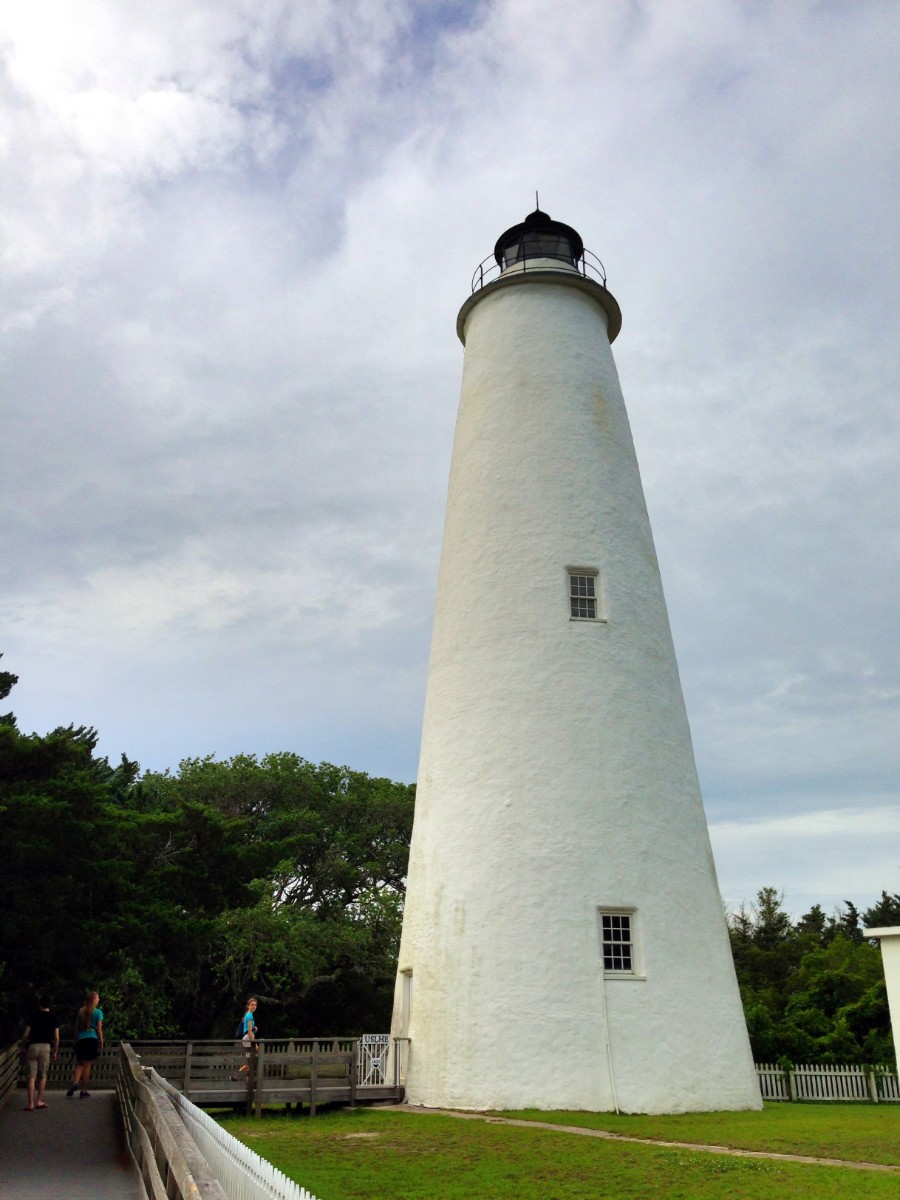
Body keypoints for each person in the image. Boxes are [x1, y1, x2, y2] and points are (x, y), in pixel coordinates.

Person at [20, 996, 60, 1111]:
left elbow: (25, 1035)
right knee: (42, 1075)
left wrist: (23, 1046)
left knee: (31, 1076)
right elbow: (57, 1038)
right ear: (49, 1005)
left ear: (40, 1005)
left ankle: (30, 1104)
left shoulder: (33, 1016)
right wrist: (55, 1051)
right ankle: (39, 1101)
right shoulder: (54, 1018)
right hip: (45, 1047)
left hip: (33, 1046)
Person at [66, 991, 103, 1098]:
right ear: (93, 999)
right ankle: (84, 1090)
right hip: (92, 1038)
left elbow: (77, 1028)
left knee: (80, 1064)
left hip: (81, 1038)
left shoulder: (81, 1011)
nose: (98, 999)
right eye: (97, 998)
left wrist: (75, 1041)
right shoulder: (98, 1012)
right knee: (87, 1065)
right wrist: (101, 1041)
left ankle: (75, 1083)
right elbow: (99, 1029)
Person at [234, 996, 258, 1077]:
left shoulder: (248, 1015)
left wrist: (254, 1028)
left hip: (247, 1038)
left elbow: (249, 1029)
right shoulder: (250, 1016)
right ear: (248, 1006)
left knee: (250, 1061)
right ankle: (235, 1076)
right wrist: (255, 1044)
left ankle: (248, 1080)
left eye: (255, 1005)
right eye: (252, 1005)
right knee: (250, 1062)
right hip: (248, 1038)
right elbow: (249, 1032)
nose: (254, 1006)